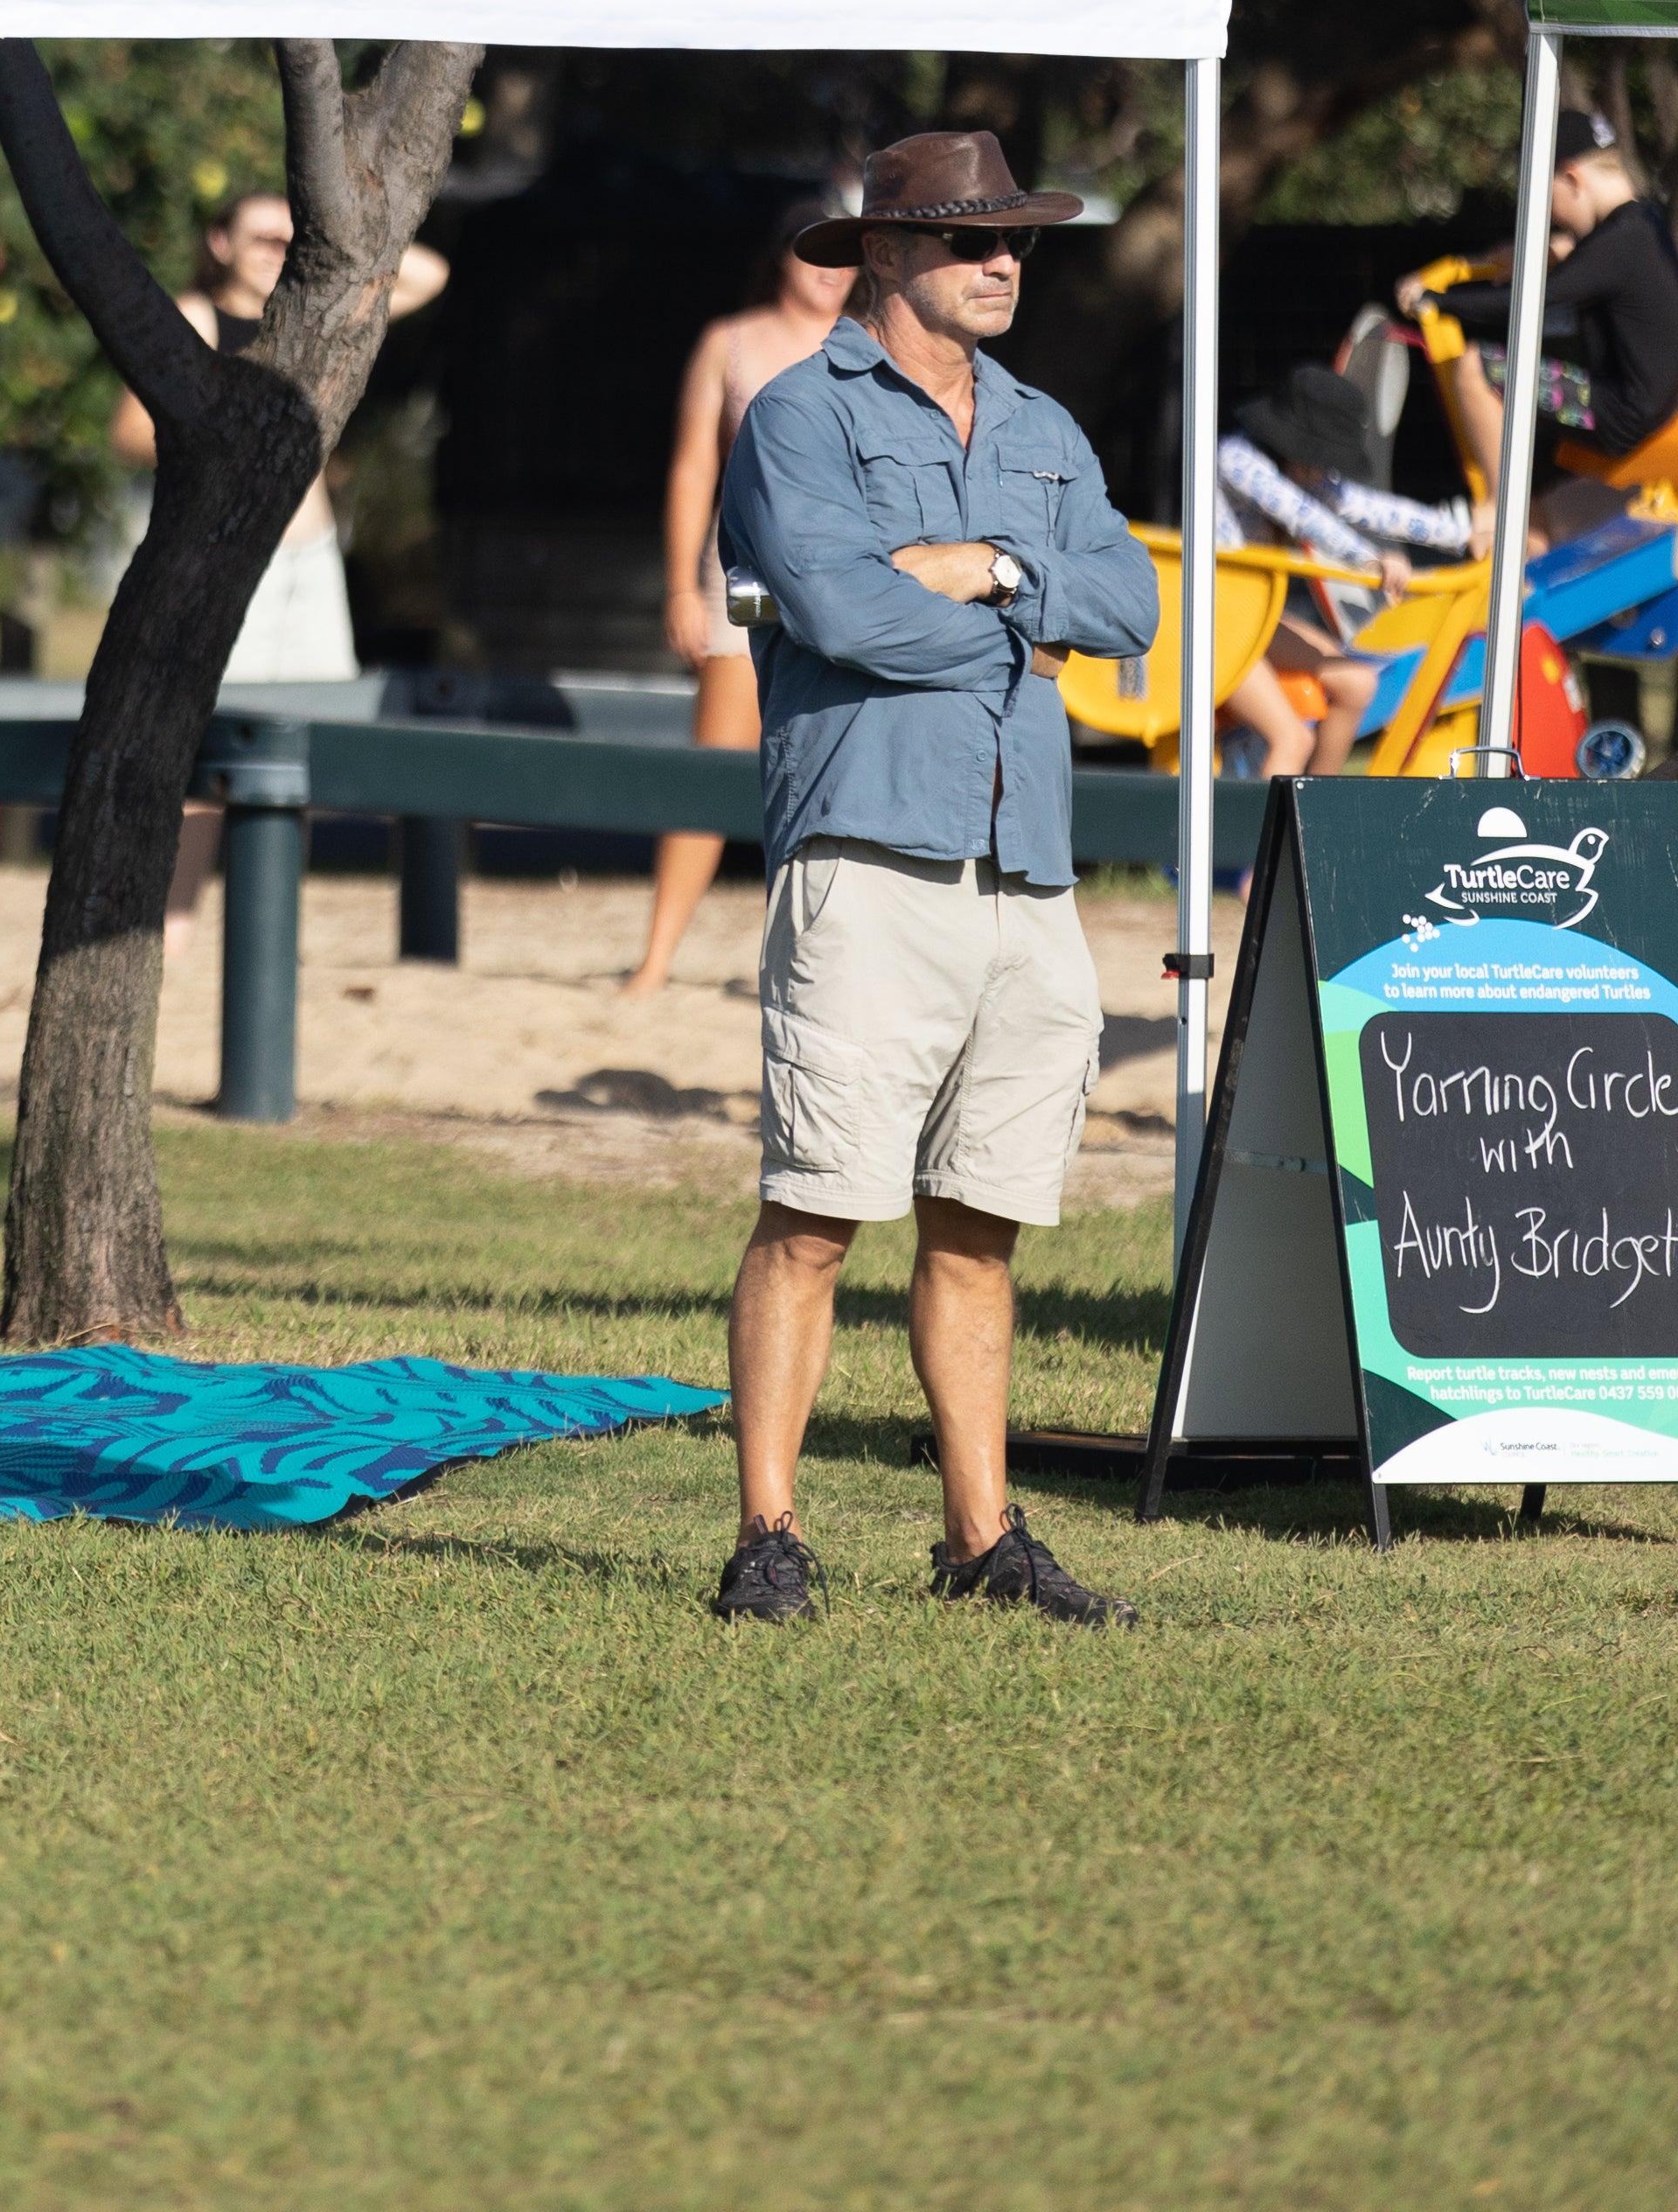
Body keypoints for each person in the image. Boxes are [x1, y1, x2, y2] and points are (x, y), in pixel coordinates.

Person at [710, 129, 1155, 1631]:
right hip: (867, 856)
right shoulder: (797, 415)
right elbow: (840, 614)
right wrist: (1028, 624)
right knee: (816, 1214)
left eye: (1019, 242)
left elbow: (1136, 602)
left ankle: (982, 1541)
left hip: (1027, 873)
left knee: (981, 1224)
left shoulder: (1041, 421)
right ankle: (769, 1533)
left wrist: (997, 573)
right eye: (975, 240)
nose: (1005, 263)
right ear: (886, 251)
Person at [111, 189, 451, 948]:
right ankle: (173, 921)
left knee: (295, 745)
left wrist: (334, 236)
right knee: (208, 744)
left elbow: (429, 272)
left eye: (287, 239)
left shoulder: (320, 319)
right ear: (219, 241)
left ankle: (269, 931)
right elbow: (130, 431)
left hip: (309, 563)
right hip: (225, 559)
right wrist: (224, 449)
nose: (276, 250)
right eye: (261, 236)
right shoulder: (194, 320)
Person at [626, 198, 855, 995]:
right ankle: (655, 960)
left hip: (850, 585)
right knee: (720, 758)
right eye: (812, 253)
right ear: (779, 257)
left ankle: (809, 966)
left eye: (843, 256)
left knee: (833, 770)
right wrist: (684, 584)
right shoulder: (730, 342)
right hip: (749, 580)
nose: (830, 272)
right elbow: (694, 467)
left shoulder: (873, 347)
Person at [1420, 106, 1678, 536]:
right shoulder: (1645, 223)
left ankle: (1496, 510)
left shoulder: (1618, 244)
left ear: (1572, 179)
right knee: (1549, 521)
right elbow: (1589, 258)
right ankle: (1528, 536)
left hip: (1622, 415)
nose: (1550, 216)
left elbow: (1529, 303)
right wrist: (1545, 252)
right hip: (1651, 407)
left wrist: (1438, 301)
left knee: (1476, 368)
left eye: (1546, 197)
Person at [1216, 360, 1481, 773]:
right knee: (1292, 738)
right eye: (1318, 454)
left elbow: (1371, 508)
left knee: (1358, 684)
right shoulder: (1236, 458)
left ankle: (1318, 823)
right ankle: (1265, 838)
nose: (1324, 468)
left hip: (1250, 615)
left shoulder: (1302, 473)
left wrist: (1464, 535)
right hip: (1208, 620)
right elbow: (1302, 515)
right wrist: (1369, 559)